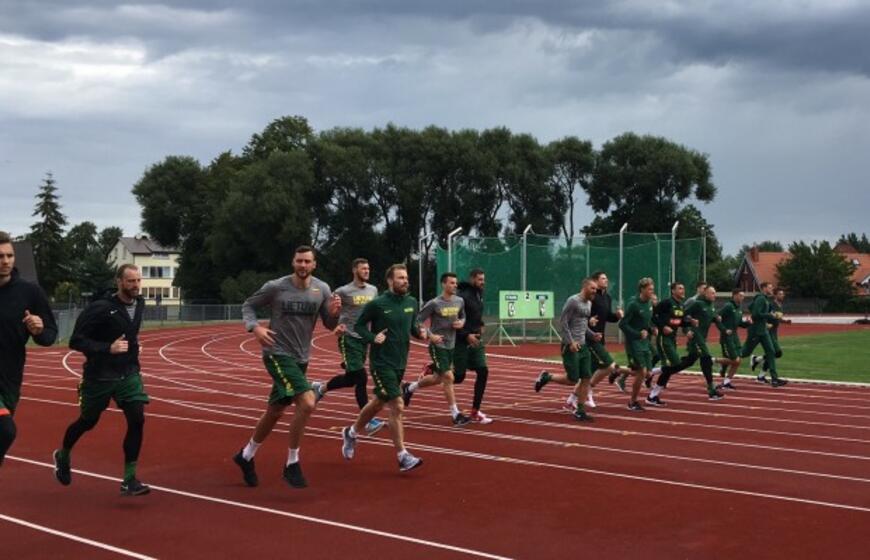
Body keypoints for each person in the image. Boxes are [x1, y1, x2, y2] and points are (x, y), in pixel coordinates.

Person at [232, 246, 340, 489]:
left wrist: (335, 314)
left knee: (276, 411)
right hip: (277, 354)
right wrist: (255, 328)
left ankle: (246, 455)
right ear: (293, 262)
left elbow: (329, 322)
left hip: (301, 357)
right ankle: (292, 463)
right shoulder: (276, 286)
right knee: (308, 402)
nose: (303, 265)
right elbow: (248, 305)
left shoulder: (321, 289)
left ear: (314, 265)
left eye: (307, 261)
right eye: (299, 261)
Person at [53, 264, 150, 496]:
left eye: (138, 281)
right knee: (88, 421)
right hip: (99, 376)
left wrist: (134, 348)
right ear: (119, 282)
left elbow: (129, 334)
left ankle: (129, 479)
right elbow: (75, 341)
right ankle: (63, 455)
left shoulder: (140, 303)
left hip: (128, 373)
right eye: (130, 281)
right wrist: (108, 348)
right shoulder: (100, 308)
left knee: (137, 419)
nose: (136, 286)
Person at [341, 264, 427, 472]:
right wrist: (372, 337)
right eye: (400, 278)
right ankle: (402, 456)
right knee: (397, 404)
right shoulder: (377, 304)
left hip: (400, 362)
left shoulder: (411, 302)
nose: (405, 281)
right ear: (390, 281)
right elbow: (359, 326)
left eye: (406, 278)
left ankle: (351, 433)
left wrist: (422, 333)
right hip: (381, 363)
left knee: (378, 402)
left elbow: (413, 326)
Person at [0, 231, 58, 466]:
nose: (5, 261)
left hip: (10, 379)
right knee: (6, 431)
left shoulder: (29, 292)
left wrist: (38, 329)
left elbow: (50, 336)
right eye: (0, 256)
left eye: (9, 255)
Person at [311, 258, 383, 436]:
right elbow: (331, 312)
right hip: (348, 337)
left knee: (351, 378)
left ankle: (320, 388)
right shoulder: (342, 291)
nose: (367, 271)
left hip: (364, 338)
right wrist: (336, 323)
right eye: (363, 269)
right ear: (354, 270)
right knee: (361, 377)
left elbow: (374, 312)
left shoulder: (373, 289)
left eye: (368, 268)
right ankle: (367, 420)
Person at [403, 273, 470, 426]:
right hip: (437, 345)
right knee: (448, 377)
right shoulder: (434, 303)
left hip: (451, 345)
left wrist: (462, 322)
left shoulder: (460, 301)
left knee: (438, 378)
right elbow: (418, 321)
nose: (455, 285)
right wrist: (430, 335)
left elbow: (463, 316)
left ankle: (409, 388)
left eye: (456, 283)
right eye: (452, 283)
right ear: (443, 284)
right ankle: (455, 414)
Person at [534, 277, 599, 422]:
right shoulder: (573, 301)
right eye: (592, 288)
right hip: (570, 347)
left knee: (586, 378)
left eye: (596, 289)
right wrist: (571, 342)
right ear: (585, 287)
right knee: (572, 379)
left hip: (583, 346)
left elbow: (582, 325)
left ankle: (580, 411)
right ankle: (546, 377)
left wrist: (592, 335)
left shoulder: (589, 303)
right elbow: (563, 322)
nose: (595, 291)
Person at [453, 268, 493, 424]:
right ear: (472, 279)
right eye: (480, 280)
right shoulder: (462, 297)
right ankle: (433, 368)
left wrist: (480, 323)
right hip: (461, 341)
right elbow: (453, 320)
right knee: (458, 377)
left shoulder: (479, 294)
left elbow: (474, 314)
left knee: (483, 371)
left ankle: (475, 411)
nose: (483, 282)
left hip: (476, 340)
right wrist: (466, 334)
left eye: (483, 279)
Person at [645, 282, 693, 406]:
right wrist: (663, 327)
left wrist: (690, 323)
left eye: (683, 288)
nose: (683, 290)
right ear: (673, 291)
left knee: (671, 368)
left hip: (672, 339)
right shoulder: (666, 303)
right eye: (680, 288)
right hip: (664, 339)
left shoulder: (681, 305)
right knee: (673, 365)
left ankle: (652, 394)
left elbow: (680, 322)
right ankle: (648, 373)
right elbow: (654, 316)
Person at [618, 278, 657, 411]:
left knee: (648, 373)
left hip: (645, 342)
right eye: (650, 289)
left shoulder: (650, 303)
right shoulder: (633, 304)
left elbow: (647, 322)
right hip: (633, 343)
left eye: (653, 289)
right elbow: (622, 324)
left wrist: (652, 329)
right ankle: (632, 402)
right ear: (642, 289)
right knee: (641, 372)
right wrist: (637, 334)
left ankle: (616, 371)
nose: (652, 291)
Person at [683, 285, 727, 400]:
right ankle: (712, 390)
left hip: (703, 337)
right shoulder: (697, 304)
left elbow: (713, 318)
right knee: (706, 358)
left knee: (688, 362)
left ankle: (662, 370)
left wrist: (723, 328)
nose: (714, 295)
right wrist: (687, 329)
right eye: (712, 293)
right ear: (705, 294)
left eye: (715, 293)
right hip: (695, 337)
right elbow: (684, 315)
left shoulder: (711, 306)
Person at [742, 282, 788, 387]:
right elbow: (755, 313)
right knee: (744, 353)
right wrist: (769, 315)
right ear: (763, 288)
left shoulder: (765, 299)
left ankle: (774, 379)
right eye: (770, 287)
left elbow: (750, 307)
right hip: (756, 331)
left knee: (771, 352)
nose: (771, 289)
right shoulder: (761, 298)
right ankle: (723, 362)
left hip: (763, 331)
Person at [753, 287, 791, 383]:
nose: (782, 295)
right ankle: (756, 360)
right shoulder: (771, 305)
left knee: (773, 354)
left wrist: (785, 321)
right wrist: (766, 324)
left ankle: (760, 372)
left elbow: (777, 318)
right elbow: (764, 315)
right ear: (775, 295)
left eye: (783, 294)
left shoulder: (780, 305)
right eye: (780, 294)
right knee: (777, 353)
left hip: (774, 333)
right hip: (768, 333)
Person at [716, 288, 752, 389]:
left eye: (743, 296)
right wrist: (724, 330)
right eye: (740, 295)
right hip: (726, 338)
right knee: (735, 360)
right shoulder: (728, 306)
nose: (742, 298)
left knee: (738, 360)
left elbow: (740, 323)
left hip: (735, 337)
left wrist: (748, 323)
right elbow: (717, 317)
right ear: (734, 295)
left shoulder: (739, 308)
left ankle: (727, 382)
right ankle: (713, 360)